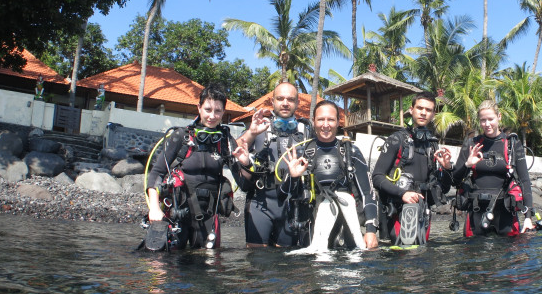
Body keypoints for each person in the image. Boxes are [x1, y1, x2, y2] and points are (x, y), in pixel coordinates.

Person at [144, 83, 253, 250]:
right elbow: (157, 173)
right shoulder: (181, 136)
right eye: (208, 110)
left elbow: (244, 184)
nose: (212, 116)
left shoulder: (224, 140)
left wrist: (245, 163)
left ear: (223, 112)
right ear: (199, 108)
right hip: (177, 213)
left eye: (218, 111)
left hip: (208, 216)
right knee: (168, 266)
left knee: (208, 268)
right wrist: (154, 208)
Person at [281, 100, 379, 251]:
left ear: (338, 122)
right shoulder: (302, 153)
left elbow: (367, 193)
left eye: (331, 119)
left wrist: (371, 230)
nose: (325, 124)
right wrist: (293, 177)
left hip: (348, 229)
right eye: (320, 119)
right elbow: (283, 195)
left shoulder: (350, 151)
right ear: (313, 121)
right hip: (313, 231)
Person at [236, 82, 313, 247]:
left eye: (290, 99)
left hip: (293, 204)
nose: (285, 103)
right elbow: (234, 149)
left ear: (297, 103)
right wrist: (251, 132)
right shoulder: (260, 127)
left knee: (286, 264)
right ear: (272, 101)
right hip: (261, 203)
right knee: (257, 260)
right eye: (280, 98)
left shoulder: (306, 131)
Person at [372, 91, 453, 245]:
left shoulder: (432, 144)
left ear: (433, 114)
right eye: (420, 108)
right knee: (402, 259)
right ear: (411, 109)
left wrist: (447, 168)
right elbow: (377, 177)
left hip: (423, 212)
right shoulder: (396, 139)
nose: (423, 113)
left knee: (421, 259)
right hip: (398, 209)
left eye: (428, 110)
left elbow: (444, 189)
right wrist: (402, 194)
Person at [450, 100, 535, 237]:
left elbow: (525, 180)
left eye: (491, 119)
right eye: (483, 120)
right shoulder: (472, 143)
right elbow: (455, 179)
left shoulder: (512, 144)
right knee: (471, 256)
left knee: (512, 256)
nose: (487, 124)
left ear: (499, 117)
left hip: (505, 212)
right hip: (476, 212)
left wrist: (528, 217)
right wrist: (468, 164)